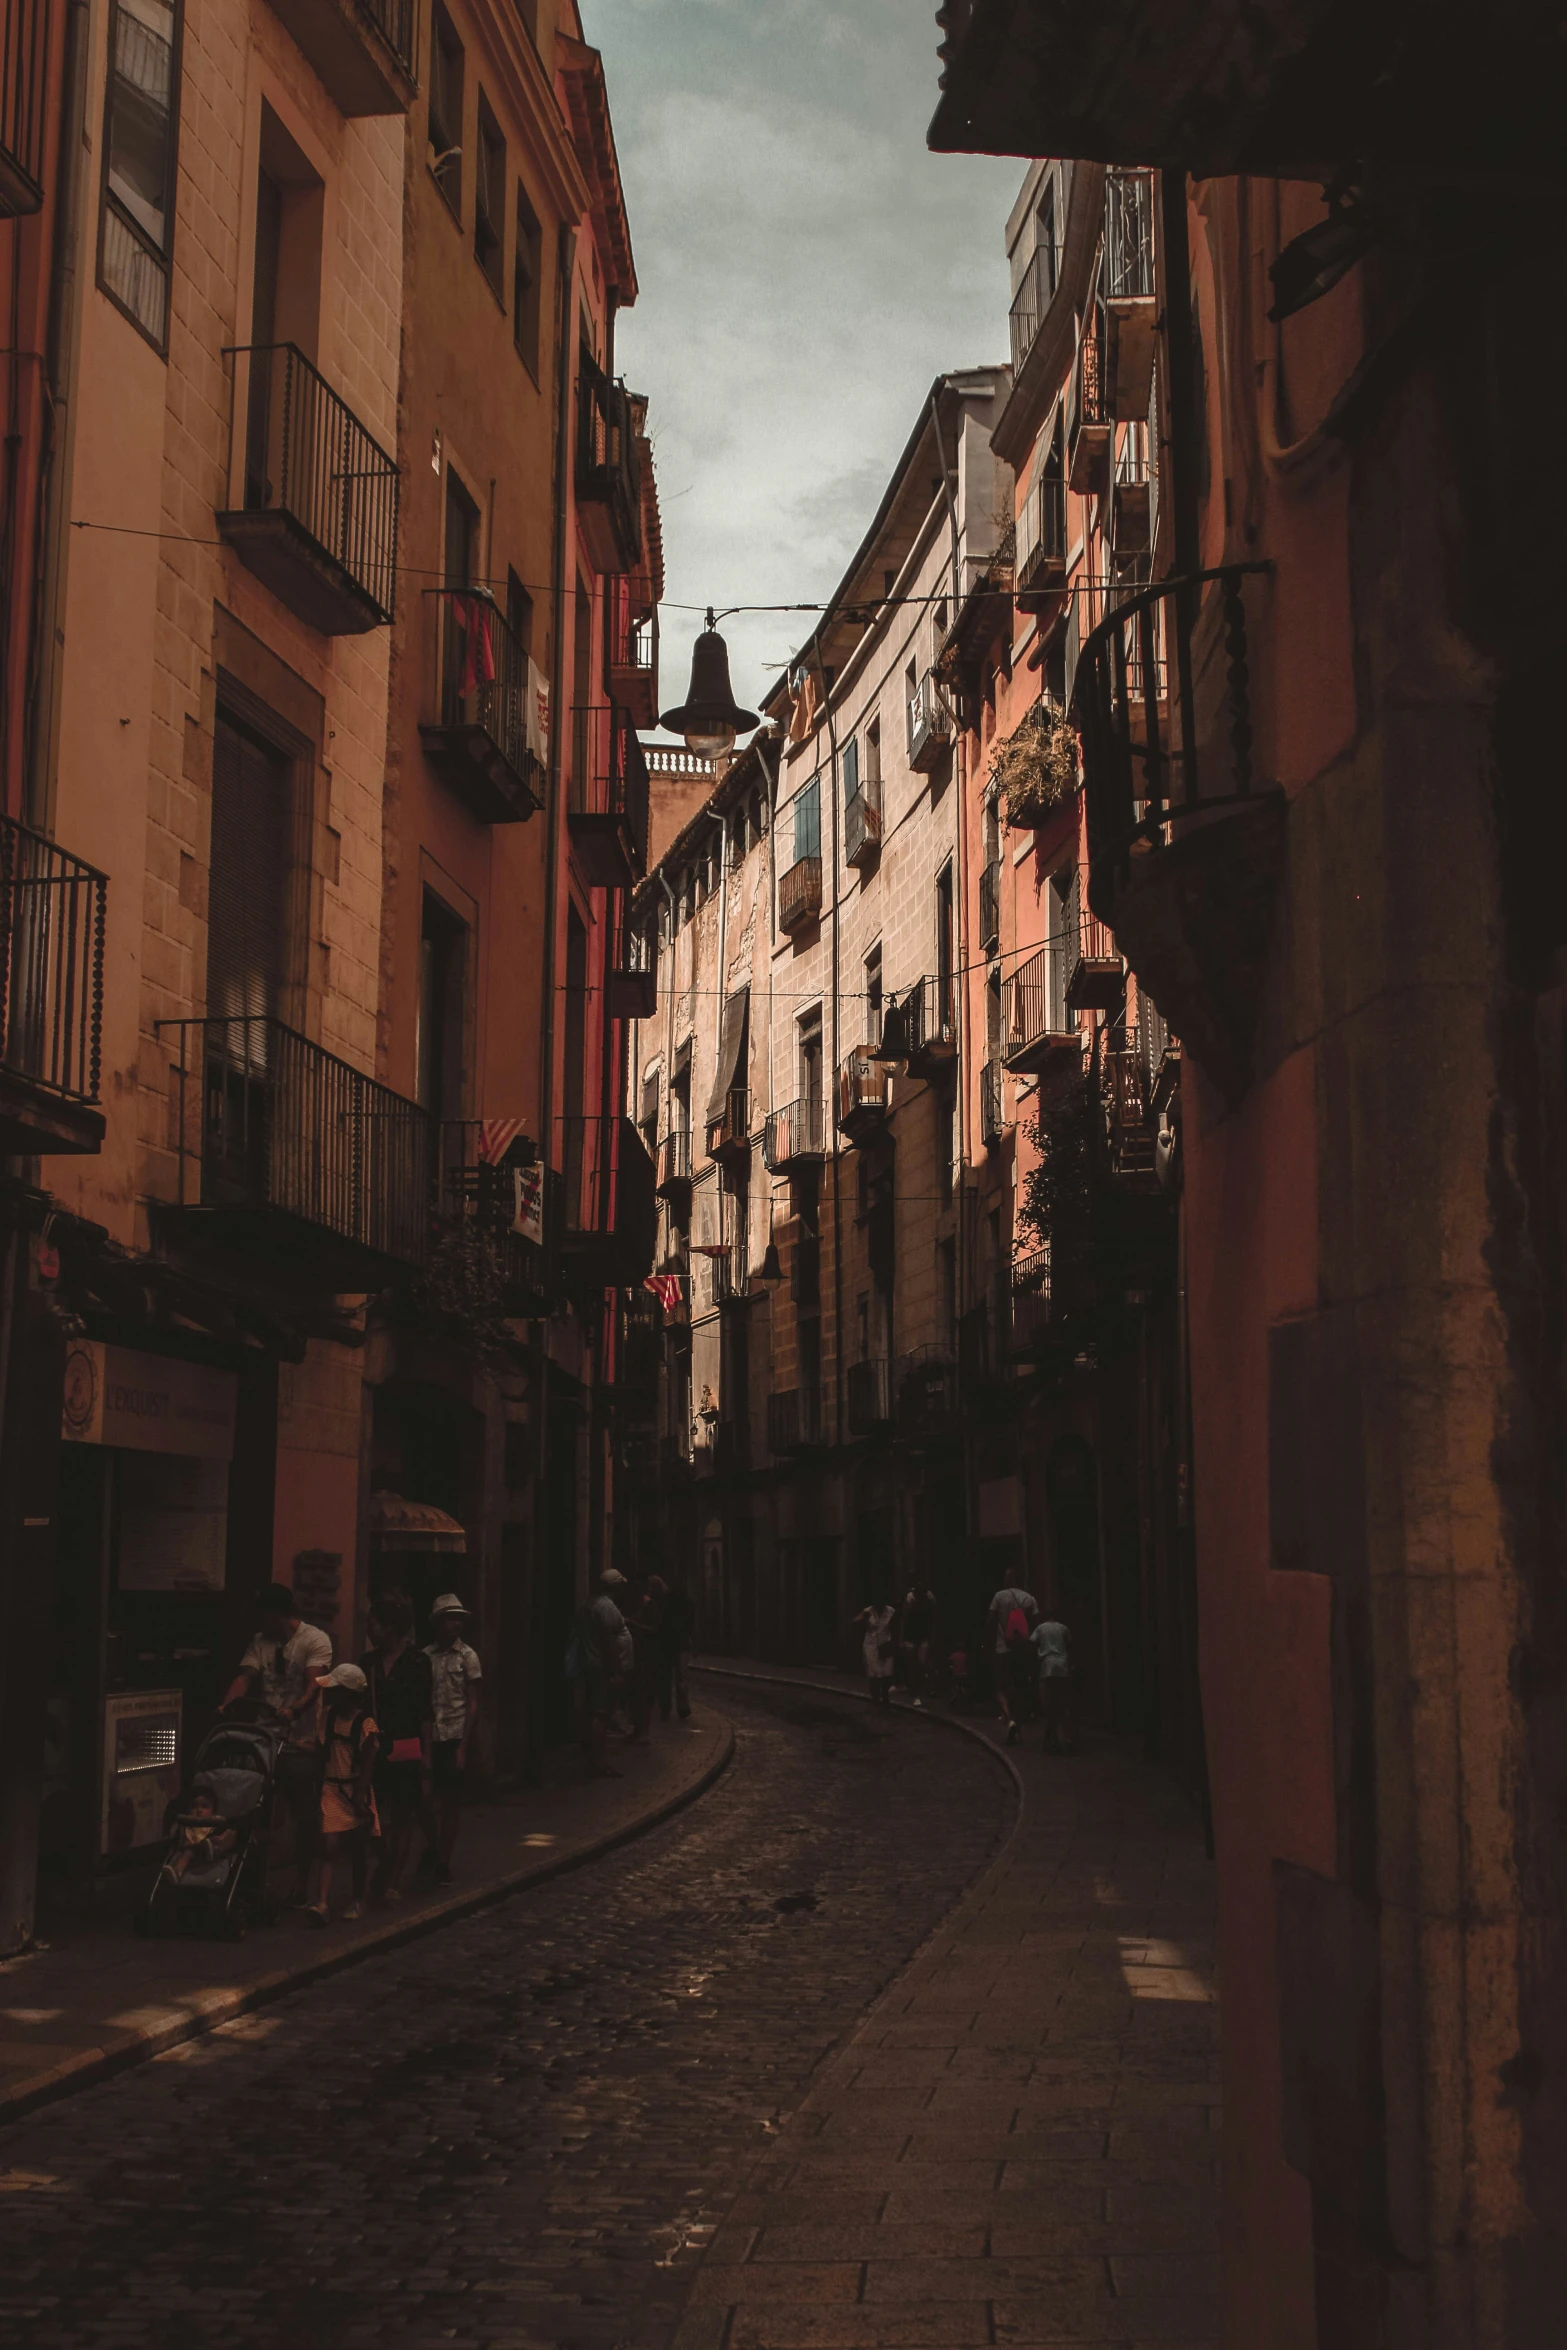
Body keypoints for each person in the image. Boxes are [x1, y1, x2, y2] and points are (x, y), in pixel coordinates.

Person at [220, 1583, 332, 1905]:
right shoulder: (260, 1642)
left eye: (264, 1615)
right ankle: (254, 1877)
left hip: (300, 1739)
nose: (260, 1621)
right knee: (255, 1808)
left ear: (278, 1615)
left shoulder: (314, 1640)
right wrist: (228, 1702)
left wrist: (296, 1708)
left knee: (304, 1813)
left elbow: (314, 1683)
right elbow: (245, 1676)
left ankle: (300, 1881)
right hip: (263, 1738)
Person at [361, 1591, 434, 1903]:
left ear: (389, 1628)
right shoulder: (368, 1663)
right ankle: (386, 1861)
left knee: (402, 1816)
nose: (369, 1629)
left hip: (406, 1745)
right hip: (374, 1747)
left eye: (373, 1624)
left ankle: (392, 1880)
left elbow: (424, 1711)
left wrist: (426, 1755)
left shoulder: (418, 1662)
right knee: (369, 1816)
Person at [308, 1663, 379, 1926]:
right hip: (331, 1789)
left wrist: (361, 1795)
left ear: (348, 1693)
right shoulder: (327, 1716)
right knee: (329, 1846)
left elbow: (369, 1763)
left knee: (357, 1849)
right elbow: (319, 1748)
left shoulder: (365, 1723)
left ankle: (357, 1899)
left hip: (354, 1790)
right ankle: (322, 1903)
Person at [418, 1595, 482, 1884]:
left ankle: (443, 1859)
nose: (456, 1623)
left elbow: (472, 1703)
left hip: (455, 1734)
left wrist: (464, 1747)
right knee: (425, 1800)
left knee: (451, 1803)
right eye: (450, 1618)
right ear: (438, 1623)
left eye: (459, 1618)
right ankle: (433, 1846)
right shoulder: (425, 1657)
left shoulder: (467, 1656)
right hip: (432, 1736)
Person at [571, 1567, 629, 1777]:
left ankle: (594, 1757)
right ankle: (598, 1761)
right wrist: (617, 1671)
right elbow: (609, 1642)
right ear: (615, 1587)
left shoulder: (587, 1604)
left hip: (590, 1664)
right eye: (621, 1585)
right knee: (601, 1714)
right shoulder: (606, 1606)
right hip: (602, 1667)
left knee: (595, 1711)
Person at [987, 1579, 1039, 1746]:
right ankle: (1019, 1729)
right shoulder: (1029, 1598)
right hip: (1022, 1651)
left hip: (1002, 1649)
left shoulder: (999, 1596)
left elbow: (990, 1621)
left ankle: (1009, 1721)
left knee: (1001, 1688)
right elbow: (1036, 1624)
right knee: (1020, 1689)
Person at [168, 1783, 237, 1882]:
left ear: (214, 1810)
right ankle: (177, 1871)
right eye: (194, 1806)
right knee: (187, 1853)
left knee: (227, 1836)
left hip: (214, 1856)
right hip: (192, 1853)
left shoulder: (217, 1824)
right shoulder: (186, 1826)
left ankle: (208, 1848)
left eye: (205, 1806)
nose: (199, 1810)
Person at [655, 1573, 695, 1725]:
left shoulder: (665, 1602)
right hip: (677, 1645)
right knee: (679, 1679)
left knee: (668, 1679)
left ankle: (668, 1708)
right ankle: (681, 1708)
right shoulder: (688, 1604)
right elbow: (692, 1627)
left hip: (669, 1645)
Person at [1033, 1613, 1073, 1752]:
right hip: (1062, 1665)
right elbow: (1070, 1645)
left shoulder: (1040, 1628)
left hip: (1047, 1665)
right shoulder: (1064, 1628)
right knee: (1064, 1704)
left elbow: (1032, 1643)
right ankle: (1068, 1739)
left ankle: (1054, 1739)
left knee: (1048, 1704)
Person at [855, 1596, 898, 1708]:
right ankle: (876, 1699)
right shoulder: (868, 1611)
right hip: (871, 1645)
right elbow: (855, 1621)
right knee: (874, 1674)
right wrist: (864, 1620)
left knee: (887, 1673)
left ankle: (885, 1696)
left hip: (885, 1644)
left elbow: (896, 1626)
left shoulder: (891, 1611)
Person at [900, 1585, 937, 1705]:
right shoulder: (910, 1599)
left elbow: (932, 1620)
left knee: (921, 1664)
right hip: (910, 1635)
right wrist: (901, 1638)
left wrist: (932, 1637)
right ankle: (913, 1691)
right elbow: (904, 1619)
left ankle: (917, 1692)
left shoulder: (929, 1599)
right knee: (910, 1664)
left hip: (923, 1635)